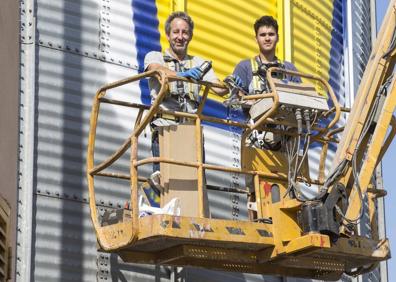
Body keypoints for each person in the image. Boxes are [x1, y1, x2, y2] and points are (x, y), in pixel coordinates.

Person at [143, 11, 226, 196]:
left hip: (191, 134)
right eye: (176, 32)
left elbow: (219, 88)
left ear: (191, 36)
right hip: (165, 129)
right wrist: (181, 76)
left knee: (194, 185)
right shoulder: (154, 56)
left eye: (185, 32)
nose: (180, 37)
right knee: (163, 184)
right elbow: (157, 71)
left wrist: (230, 85)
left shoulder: (198, 63)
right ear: (168, 35)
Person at [230, 15, 301, 150]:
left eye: (271, 34)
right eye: (262, 35)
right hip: (255, 138)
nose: (267, 38)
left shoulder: (289, 69)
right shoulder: (245, 67)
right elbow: (235, 99)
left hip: (285, 141)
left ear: (278, 37)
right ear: (256, 39)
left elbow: (301, 100)